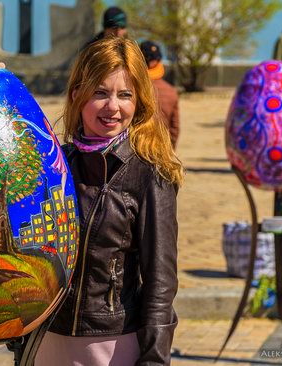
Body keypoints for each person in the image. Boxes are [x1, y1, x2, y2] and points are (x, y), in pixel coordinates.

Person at [34, 37, 184, 365]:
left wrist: (155, 359)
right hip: (46, 339)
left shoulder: (150, 175)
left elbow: (161, 283)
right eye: (100, 93)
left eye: (125, 95)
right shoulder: (56, 165)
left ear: (139, 101)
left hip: (112, 343)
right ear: (77, 95)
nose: (113, 106)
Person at [140, 40, 180, 149]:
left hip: (137, 148)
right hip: (162, 149)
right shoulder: (171, 91)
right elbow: (174, 128)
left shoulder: (133, 90)